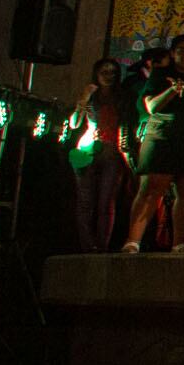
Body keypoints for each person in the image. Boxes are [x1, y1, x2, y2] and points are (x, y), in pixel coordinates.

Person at [120, 36, 184, 253]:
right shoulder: (161, 74)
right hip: (163, 134)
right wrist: (172, 90)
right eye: (182, 50)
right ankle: (132, 241)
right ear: (173, 53)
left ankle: (179, 243)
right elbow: (151, 106)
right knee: (151, 188)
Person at [63, 56, 130, 254]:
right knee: (85, 201)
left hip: (112, 150)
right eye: (104, 72)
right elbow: (74, 123)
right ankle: (87, 245)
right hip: (88, 148)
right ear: (96, 74)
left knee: (106, 201)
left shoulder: (122, 96)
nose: (109, 76)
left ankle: (101, 246)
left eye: (113, 72)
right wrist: (82, 100)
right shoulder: (91, 95)